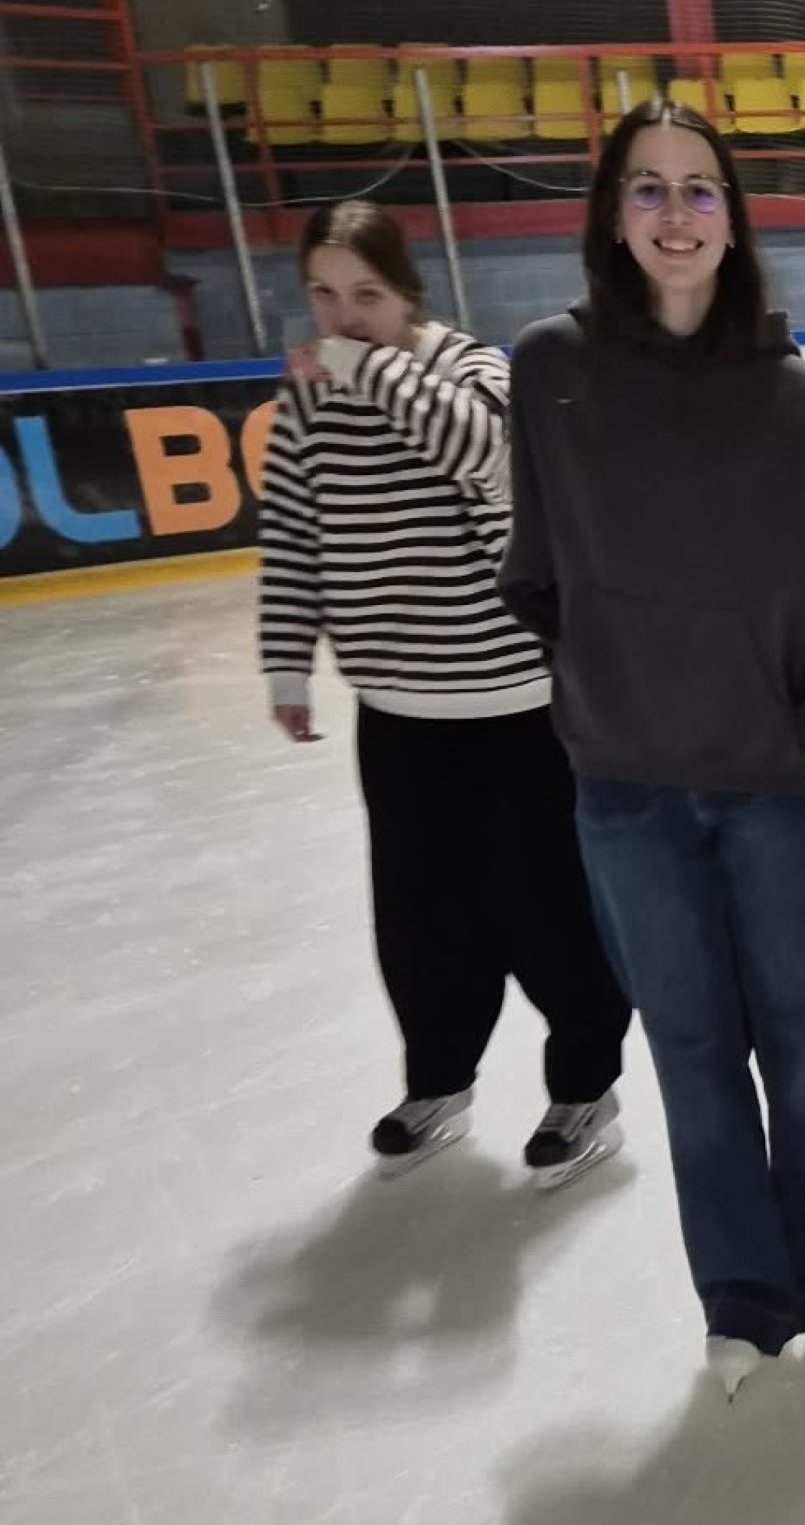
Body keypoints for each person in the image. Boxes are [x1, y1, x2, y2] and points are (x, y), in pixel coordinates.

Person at [500, 98, 805, 1399]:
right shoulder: (550, 373)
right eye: (649, 188)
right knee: (689, 1050)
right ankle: (742, 1295)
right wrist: (608, 691)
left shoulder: (794, 401)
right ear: (613, 215)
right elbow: (538, 573)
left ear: (733, 219)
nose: (676, 213)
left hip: (777, 788)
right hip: (626, 795)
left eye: (700, 189)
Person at [255, 198, 629, 1189]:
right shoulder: (307, 400)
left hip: (515, 707)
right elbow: (292, 531)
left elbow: (481, 453)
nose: (343, 317)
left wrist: (361, 363)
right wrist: (287, 662)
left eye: (366, 294)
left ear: (408, 290)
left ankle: (584, 1086)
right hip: (396, 712)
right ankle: (438, 1080)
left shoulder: (472, 371)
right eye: (324, 296)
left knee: (550, 912)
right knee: (423, 923)